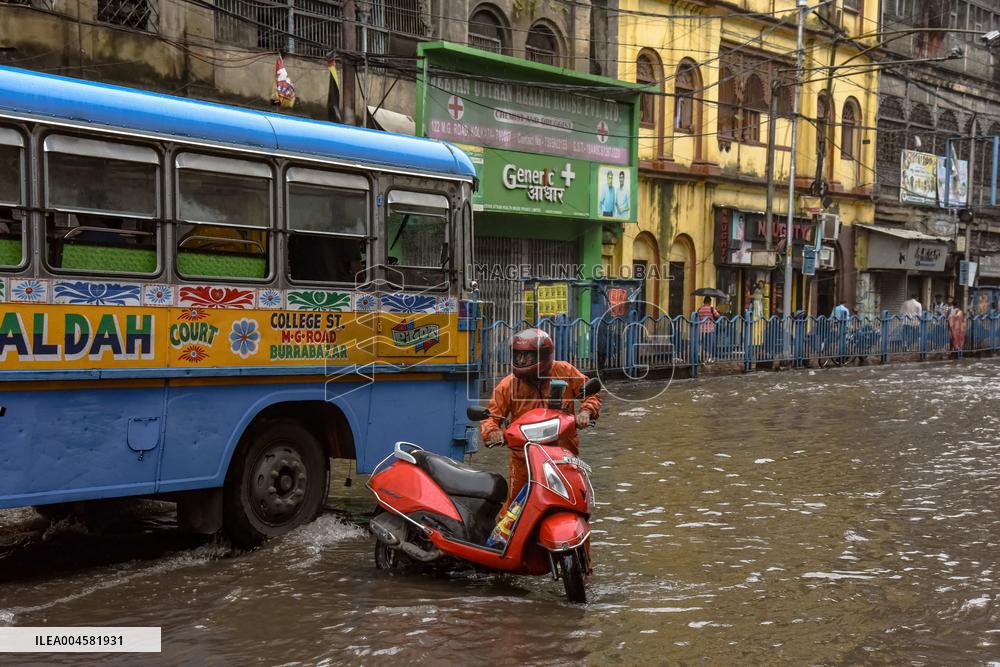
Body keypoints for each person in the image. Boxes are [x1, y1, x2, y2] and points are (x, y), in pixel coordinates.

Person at [480, 328, 601, 519]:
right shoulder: (507, 385)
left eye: (526, 356)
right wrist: (492, 432)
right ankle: (502, 544)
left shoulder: (565, 371)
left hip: (563, 455)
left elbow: (590, 394)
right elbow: (491, 417)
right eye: (518, 356)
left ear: (542, 356)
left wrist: (586, 411)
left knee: (577, 505)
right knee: (512, 513)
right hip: (524, 459)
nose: (521, 361)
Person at [697, 296, 721, 362]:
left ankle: (703, 358)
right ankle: (710, 358)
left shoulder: (699, 309)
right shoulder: (711, 309)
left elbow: (697, 318)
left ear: (704, 302)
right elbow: (718, 316)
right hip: (710, 329)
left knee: (704, 344)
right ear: (709, 302)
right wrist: (717, 311)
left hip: (701, 330)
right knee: (710, 344)